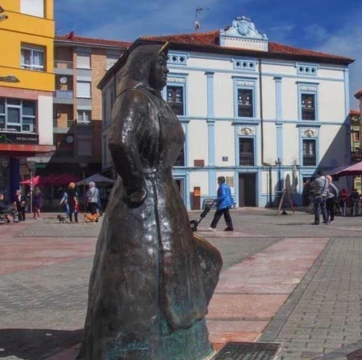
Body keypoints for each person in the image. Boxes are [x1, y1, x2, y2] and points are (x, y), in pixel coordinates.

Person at [77, 43, 223, 360]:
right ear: (145, 66)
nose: (167, 68)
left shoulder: (157, 102)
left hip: (165, 197)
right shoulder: (134, 98)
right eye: (162, 62)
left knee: (181, 270)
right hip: (144, 199)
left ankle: (181, 342)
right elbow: (119, 141)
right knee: (141, 275)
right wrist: (135, 186)